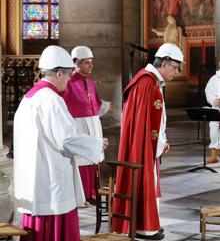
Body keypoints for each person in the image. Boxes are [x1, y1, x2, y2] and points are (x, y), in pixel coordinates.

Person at [13, 45, 108, 241]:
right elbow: (66, 140)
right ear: (58, 74)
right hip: (51, 181)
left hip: (33, 181)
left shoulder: (29, 98)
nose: (68, 80)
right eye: (67, 75)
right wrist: (96, 144)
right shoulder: (51, 99)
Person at [113, 43, 184, 240]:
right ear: (166, 63)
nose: (176, 72)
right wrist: (157, 143)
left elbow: (152, 120)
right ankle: (145, 228)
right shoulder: (147, 83)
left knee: (149, 182)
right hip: (142, 146)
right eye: (176, 67)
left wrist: (163, 139)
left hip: (145, 143)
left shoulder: (149, 81)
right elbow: (146, 125)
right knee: (146, 181)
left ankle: (146, 225)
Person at [62, 46, 111, 205]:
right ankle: (83, 194)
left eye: (91, 62)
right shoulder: (69, 81)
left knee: (93, 158)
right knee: (82, 159)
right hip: (79, 124)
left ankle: (93, 191)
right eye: (86, 63)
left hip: (92, 122)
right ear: (76, 63)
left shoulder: (89, 81)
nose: (91, 66)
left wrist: (103, 107)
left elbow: (94, 101)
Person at [205, 64, 220, 163]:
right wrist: (214, 100)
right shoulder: (214, 79)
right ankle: (214, 154)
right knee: (214, 127)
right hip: (217, 108)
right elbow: (208, 91)